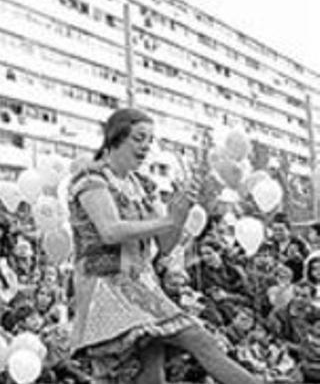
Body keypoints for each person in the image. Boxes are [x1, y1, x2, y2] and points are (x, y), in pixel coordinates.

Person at [67, 108, 262, 384]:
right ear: (116, 137)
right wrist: (168, 219)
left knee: (153, 373)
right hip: (106, 286)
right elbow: (110, 231)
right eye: (139, 138)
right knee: (198, 339)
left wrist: (179, 212)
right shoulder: (91, 180)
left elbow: (165, 245)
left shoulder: (143, 186)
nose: (146, 146)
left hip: (143, 284)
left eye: (150, 139)